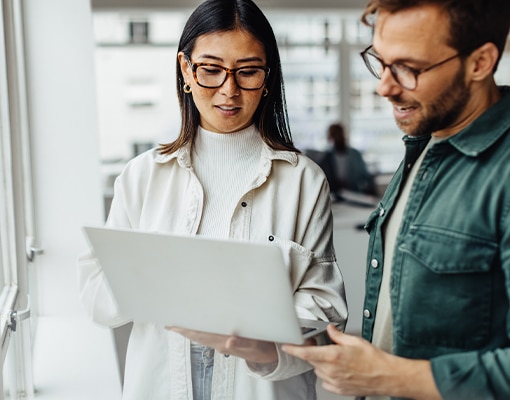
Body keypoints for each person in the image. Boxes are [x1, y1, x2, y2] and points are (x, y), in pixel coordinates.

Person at [77, 0, 348, 399]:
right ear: (186, 70)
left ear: (268, 76)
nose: (229, 90)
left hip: (261, 386)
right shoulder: (141, 176)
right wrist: (153, 273)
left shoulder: (303, 181)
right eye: (211, 69)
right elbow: (97, 301)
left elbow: (325, 308)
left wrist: (262, 345)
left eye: (248, 72)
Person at [283, 0, 510, 399]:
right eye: (380, 62)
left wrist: (392, 378)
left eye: (408, 68)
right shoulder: (424, 145)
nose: (383, 86)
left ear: (480, 62)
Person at [320, 122, 377, 198]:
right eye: (334, 135)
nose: (338, 138)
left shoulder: (355, 155)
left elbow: (366, 176)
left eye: (339, 134)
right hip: (334, 197)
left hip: (354, 195)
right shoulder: (327, 157)